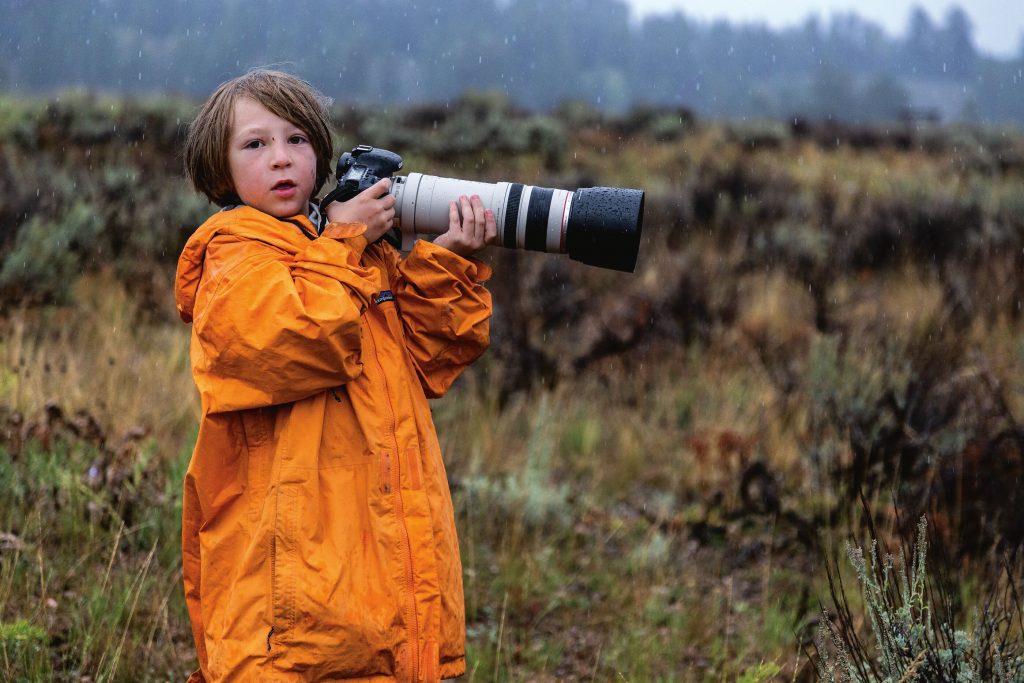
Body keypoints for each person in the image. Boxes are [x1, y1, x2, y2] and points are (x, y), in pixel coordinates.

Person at [174, 68, 496, 682]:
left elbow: (428, 356)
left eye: (297, 139)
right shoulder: (234, 254)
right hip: (293, 576)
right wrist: (344, 241)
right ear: (220, 169)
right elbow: (295, 341)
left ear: (321, 154)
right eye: (255, 144)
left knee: (389, 652)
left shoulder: (352, 252)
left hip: (381, 538)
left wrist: (449, 259)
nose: (281, 159)